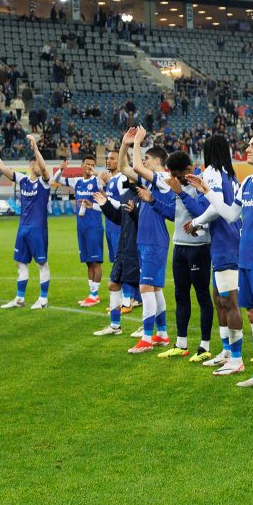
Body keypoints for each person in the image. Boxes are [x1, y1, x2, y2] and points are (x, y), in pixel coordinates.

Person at [188, 132, 253, 395]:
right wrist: (208, 192)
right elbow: (230, 214)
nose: (247, 148)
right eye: (247, 144)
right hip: (245, 257)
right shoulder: (247, 181)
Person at [185, 135, 245, 375]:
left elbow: (215, 205)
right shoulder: (229, 174)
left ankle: (236, 357)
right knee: (219, 298)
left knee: (229, 301)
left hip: (225, 243)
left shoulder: (212, 172)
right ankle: (227, 351)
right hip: (226, 240)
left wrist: (196, 222)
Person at [118, 126, 176, 354]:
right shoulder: (154, 182)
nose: (144, 161)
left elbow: (135, 166)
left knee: (145, 287)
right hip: (147, 239)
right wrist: (125, 144)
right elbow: (124, 167)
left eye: (147, 158)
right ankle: (161, 334)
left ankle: (146, 337)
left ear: (157, 161)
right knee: (154, 288)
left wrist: (137, 143)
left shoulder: (163, 177)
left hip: (154, 240)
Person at [0, 134, 52, 309]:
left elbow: (44, 169)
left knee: (41, 263)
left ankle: (43, 299)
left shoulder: (44, 182)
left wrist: (36, 148)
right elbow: (1, 167)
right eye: (35, 162)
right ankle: (20, 298)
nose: (40, 165)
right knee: (20, 262)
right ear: (30, 165)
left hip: (38, 229)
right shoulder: (23, 180)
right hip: (23, 229)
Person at [156, 151, 214, 362]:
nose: (174, 178)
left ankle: (204, 346)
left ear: (188, 170)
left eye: (177, 174)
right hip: (179, 247)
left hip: (198, 247)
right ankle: (181, 344)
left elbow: (202, 212)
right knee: (181, 295)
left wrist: (181, 192)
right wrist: (152, 201)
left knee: (201, 295)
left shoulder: (202, 184)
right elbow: (175, 214)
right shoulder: (178, 185)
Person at [91, 178, 141, 336]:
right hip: (123, 247)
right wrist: (104, 204)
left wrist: (134, 213)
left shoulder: (145, 195)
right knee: (113, 284)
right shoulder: (126, 195)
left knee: (145, 289)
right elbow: (120, 218)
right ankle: (115, 326)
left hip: (137, 248)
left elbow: (145, 222)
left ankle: (148, 327)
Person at [52, 154, 104, 306]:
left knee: (96, 261)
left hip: (94, 226)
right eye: (87, 164)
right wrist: (60, 170)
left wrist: (96, 173)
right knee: (88, 262)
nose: (89, 167)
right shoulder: (77, 181)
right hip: (81, 227)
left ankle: (95, 295)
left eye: (92, 165)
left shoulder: (97, 181)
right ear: (82, 165)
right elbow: (57, 180)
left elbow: (104, 186)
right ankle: (91, 293)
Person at [102, 149, 137, 312]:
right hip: (111, 225)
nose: (109, 161)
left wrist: (107, 200)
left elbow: (125, 205)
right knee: (118, 267)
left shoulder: (121, 180)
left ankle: (127, 300)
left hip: (121, 228)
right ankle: (125, 302)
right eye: (108, 158)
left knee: (125, 266)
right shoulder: (111, 180)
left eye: (112, 159)